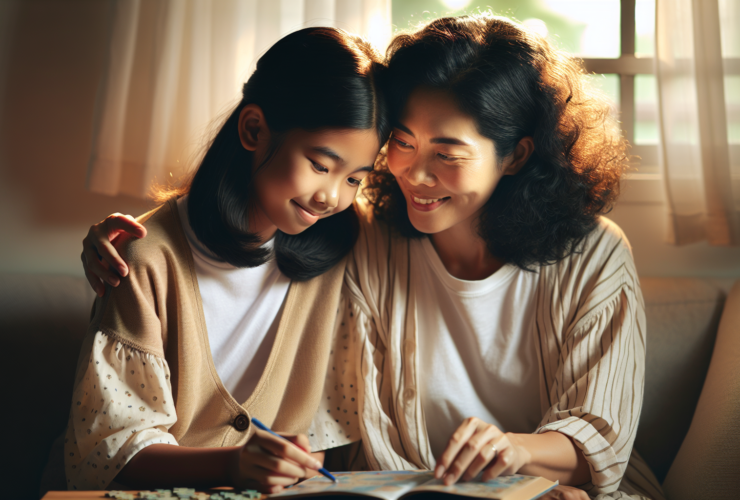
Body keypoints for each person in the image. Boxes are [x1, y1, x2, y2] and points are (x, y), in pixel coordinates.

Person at [82, 14, 664, 500]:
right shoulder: (369, 238)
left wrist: (520, 456)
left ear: (515, 156)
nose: (414, 173)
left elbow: (599, 436)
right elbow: (259, 197)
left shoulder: (594, 256)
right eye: (404, 144)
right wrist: (131, 234)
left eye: (449, 153)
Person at [66, 26, 388, 494]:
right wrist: (232, 467)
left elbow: (329, 434)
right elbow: (107, 453)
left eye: (356, 179)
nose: (331, 197)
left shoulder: (344, 248)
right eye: (320, 165)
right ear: (253, 129)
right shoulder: (144, 256)